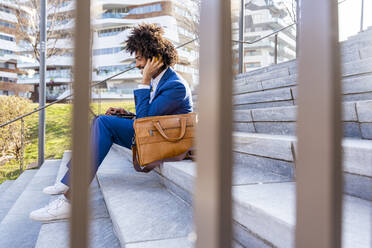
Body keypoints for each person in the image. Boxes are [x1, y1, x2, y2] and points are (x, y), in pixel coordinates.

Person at [30, 23, 193, 222]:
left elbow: (146, 122)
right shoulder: (161, 81)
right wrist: (126, 113)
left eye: (139, 59)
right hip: (155, 136)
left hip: (166, 144)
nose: (137, 65)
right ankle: (69, 180)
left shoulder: (175, 85)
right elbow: (152, 117)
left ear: (154, 58)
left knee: (105, 123)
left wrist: (144, 80)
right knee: (101, 120)